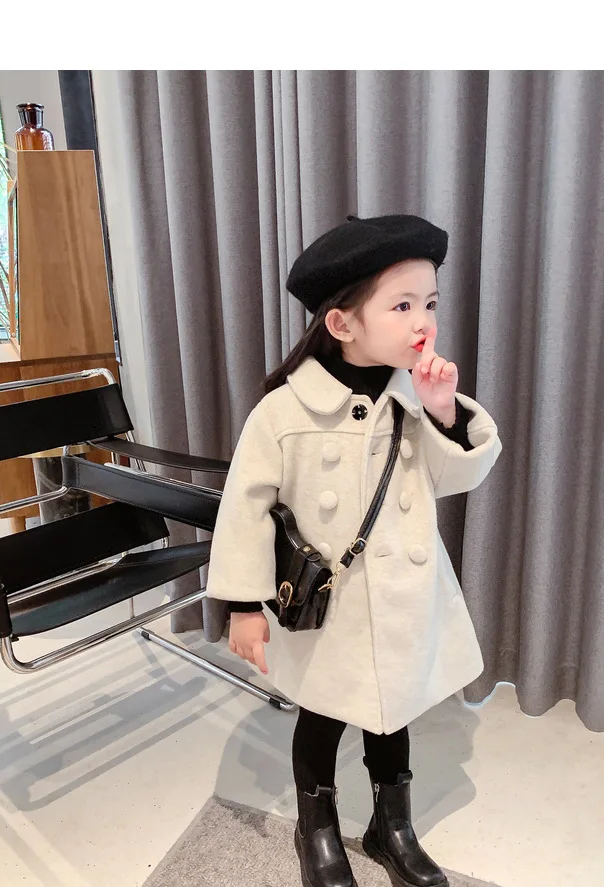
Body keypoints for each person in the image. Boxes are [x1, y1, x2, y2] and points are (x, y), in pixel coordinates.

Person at [205, 214, 502, 887]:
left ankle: (391, 826)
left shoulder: (415, 397)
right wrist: (243, 605)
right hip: (329, 608)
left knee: (392, 712)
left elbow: (457, 476)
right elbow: (244, 509)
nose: (423, 321)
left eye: (430, 303)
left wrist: (443, 410)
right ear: (341, 323)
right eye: (402, 306)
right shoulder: (284, 412)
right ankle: (316, 827)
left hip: (400, 600)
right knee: (322, 714)